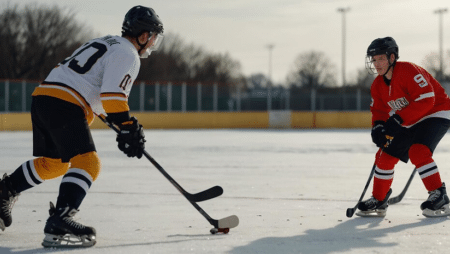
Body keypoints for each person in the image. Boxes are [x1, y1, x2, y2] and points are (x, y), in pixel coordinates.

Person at [0, 5, 163, 247]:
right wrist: (127, 125)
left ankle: (6, 190)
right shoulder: (128, 54)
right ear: (142, 35)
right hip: (65, 103)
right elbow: (112, 95)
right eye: (152, 38)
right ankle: (60, 221)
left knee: (54, 164)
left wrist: (122, 125)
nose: (152, 44)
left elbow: (90, 86)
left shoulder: (106, 41)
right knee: (88, 163)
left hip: (44, 98)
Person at [357, 37, 450, 217]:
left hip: (436, 112)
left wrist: (399, 119)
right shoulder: (377, 85)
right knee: (384, 155)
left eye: (381, 58)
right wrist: (378, 126)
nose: (376, 64)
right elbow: (379, 110)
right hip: (410, 118)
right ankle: (379, 199)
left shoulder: (408, 70)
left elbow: (427, 98)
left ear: (392, 58)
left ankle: (439, 195)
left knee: (418, 151)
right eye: (374, 60)